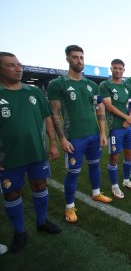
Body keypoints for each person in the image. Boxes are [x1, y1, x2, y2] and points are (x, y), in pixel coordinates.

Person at [0, 52, 61, 253]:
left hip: (36, 152)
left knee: (40, 184)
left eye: (19, 64)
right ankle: (20, 231)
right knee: (12, 192)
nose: (18, 68)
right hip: (7, 157)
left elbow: (48, 118)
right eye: (11, 65)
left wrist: (53, 144)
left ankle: (41, 221)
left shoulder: (34, 92)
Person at [48, 45, 112, 224]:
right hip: (74, 137)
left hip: (93, 135)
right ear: (68, 59)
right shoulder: (57, 84)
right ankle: (69, 207)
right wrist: (62, 138)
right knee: (73, 172)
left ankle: (96, 193)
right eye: (75, 57)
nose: (79, 61)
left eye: (81, 57)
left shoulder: (92, 85)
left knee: (94, 165)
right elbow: (55, 113)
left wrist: (102, 133)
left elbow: (100, 109)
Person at [100, 59, 131, 199]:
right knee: (114, 156)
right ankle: (115, 185)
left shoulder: (127, 85)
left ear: (124, 70)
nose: (117, 70)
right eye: (115, 68)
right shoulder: (105, 85)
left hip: (128, 127)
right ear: (111, 69)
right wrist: (126, 117)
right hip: (115, 127)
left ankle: (126, 180)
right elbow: (108, 106)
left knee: (129, 153)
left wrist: (130, 117)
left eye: (120, 68)